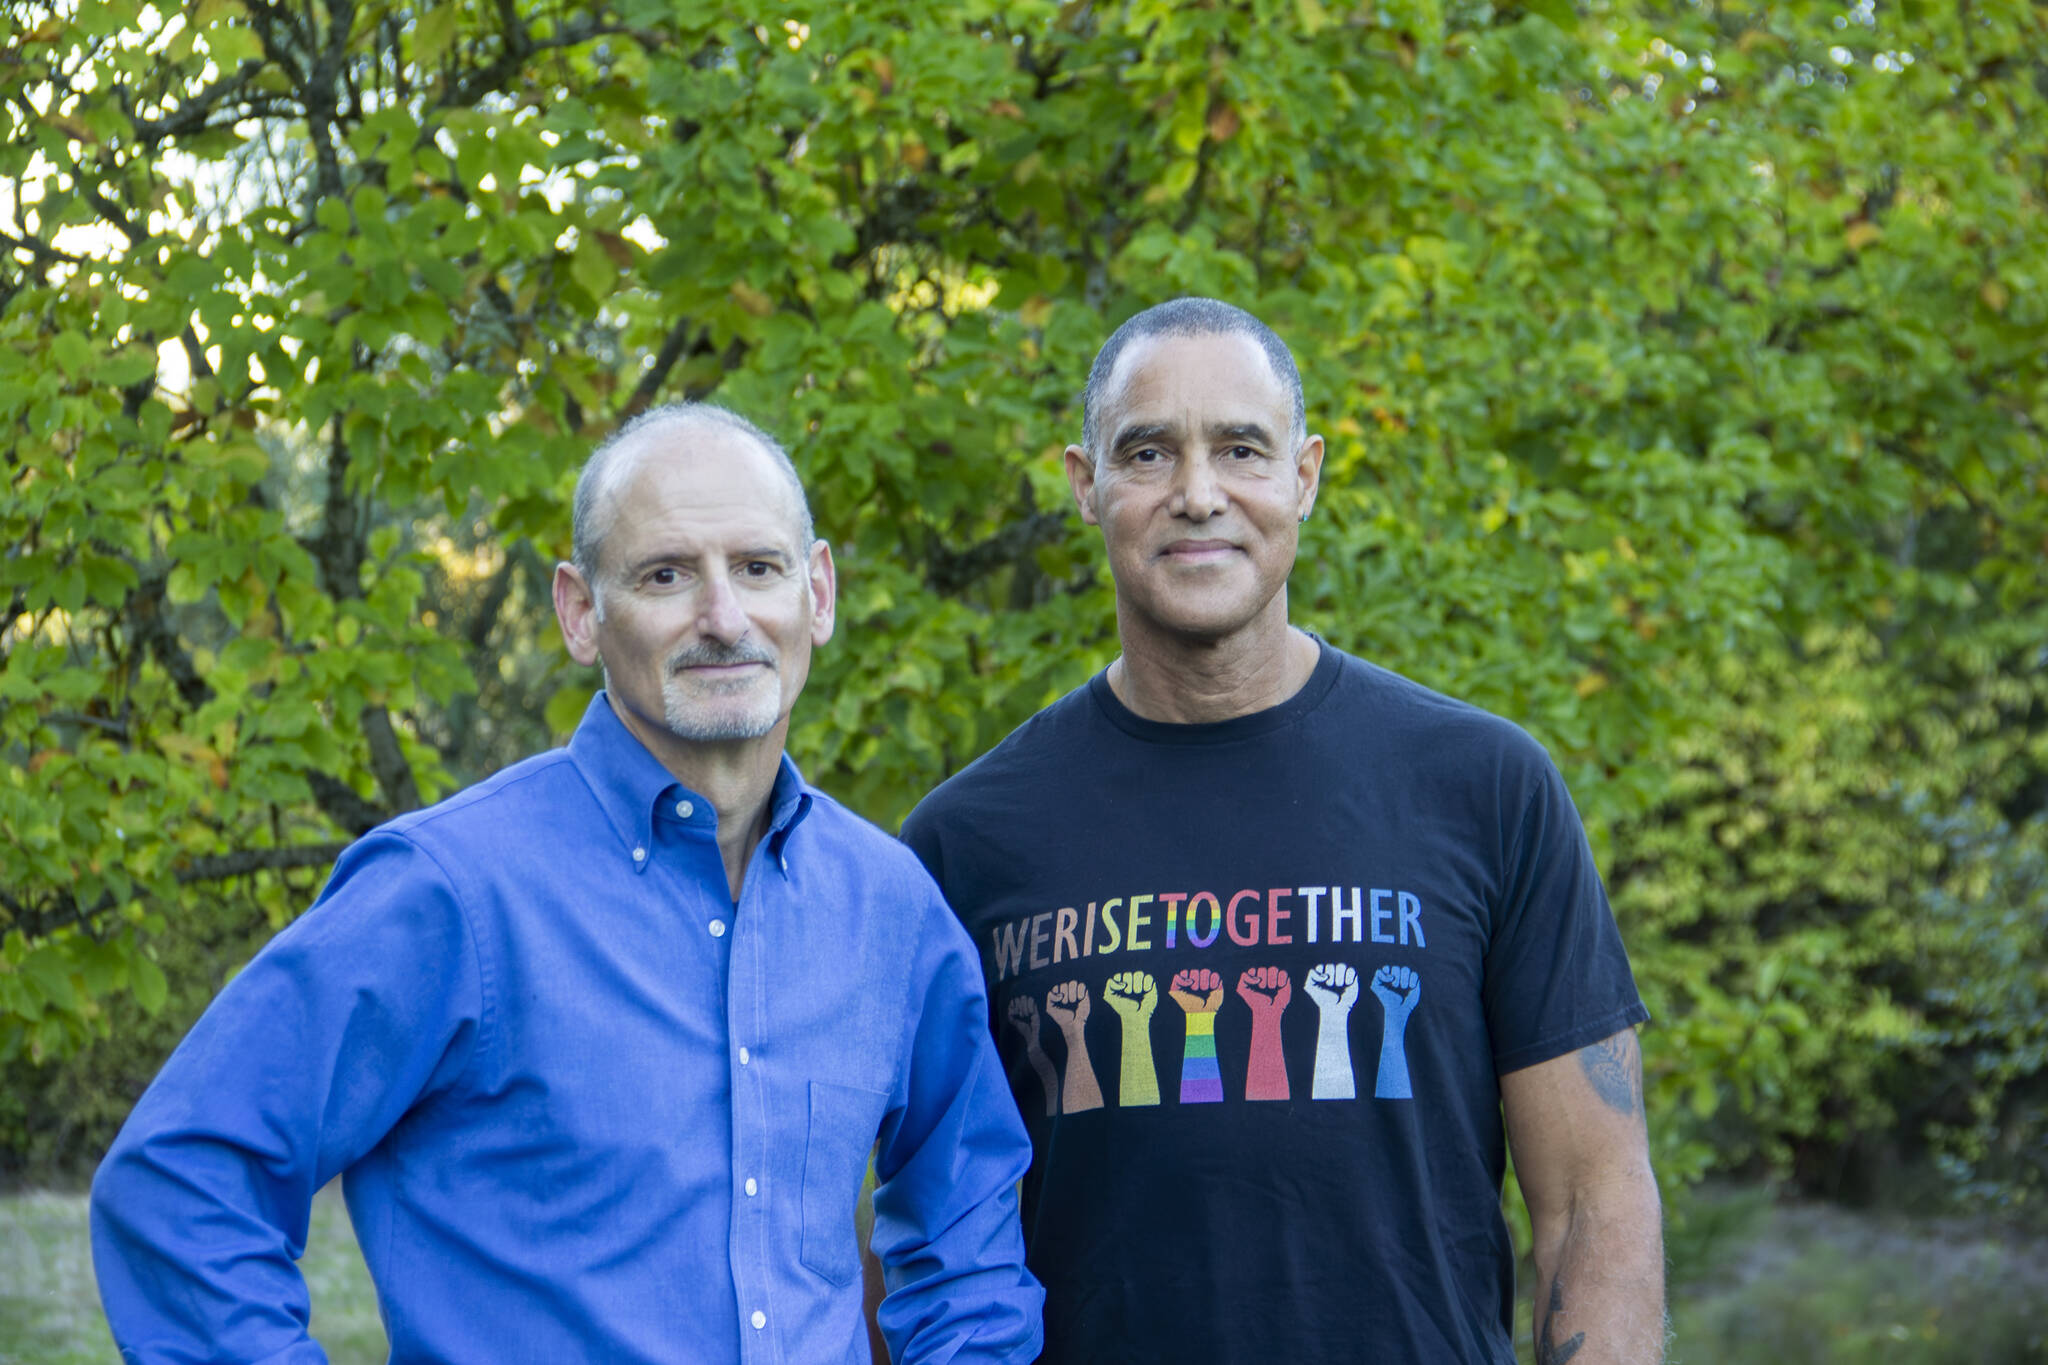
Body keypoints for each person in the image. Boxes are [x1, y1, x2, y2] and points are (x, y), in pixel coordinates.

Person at [92, 403, 1044, 1365]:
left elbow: (967, 1247)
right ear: (581, 612)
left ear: (820, 593)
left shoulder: (891, 909)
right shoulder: (449, 893)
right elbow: (182, 1184)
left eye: (758, 567)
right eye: (666, 575)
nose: (723, 617)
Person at [901, 299, 1664, 1363]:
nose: (1197, 494)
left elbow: (1592, 1205)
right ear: (1085, 483)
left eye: (1240, 449)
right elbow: (922, 1239)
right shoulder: (963, 843)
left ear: (1302, 475)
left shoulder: (1483, 788)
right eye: (1148, 452)